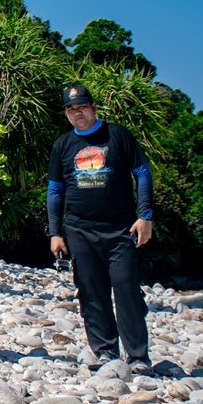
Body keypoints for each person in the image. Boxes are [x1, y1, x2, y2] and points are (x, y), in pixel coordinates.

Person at [48, 84, 155, 375]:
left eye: (82, 107)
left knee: (127, 289)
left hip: (121, 228)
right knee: (91, 291)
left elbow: (142, 173)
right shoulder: (63, 145)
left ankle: (138, 356)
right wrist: (55, 233)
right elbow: (55, 191)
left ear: (93, 107)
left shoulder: (117, 135)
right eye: (71, 109)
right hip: (79, 229)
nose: (77, 113)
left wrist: (145, 215)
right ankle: (106, 351)